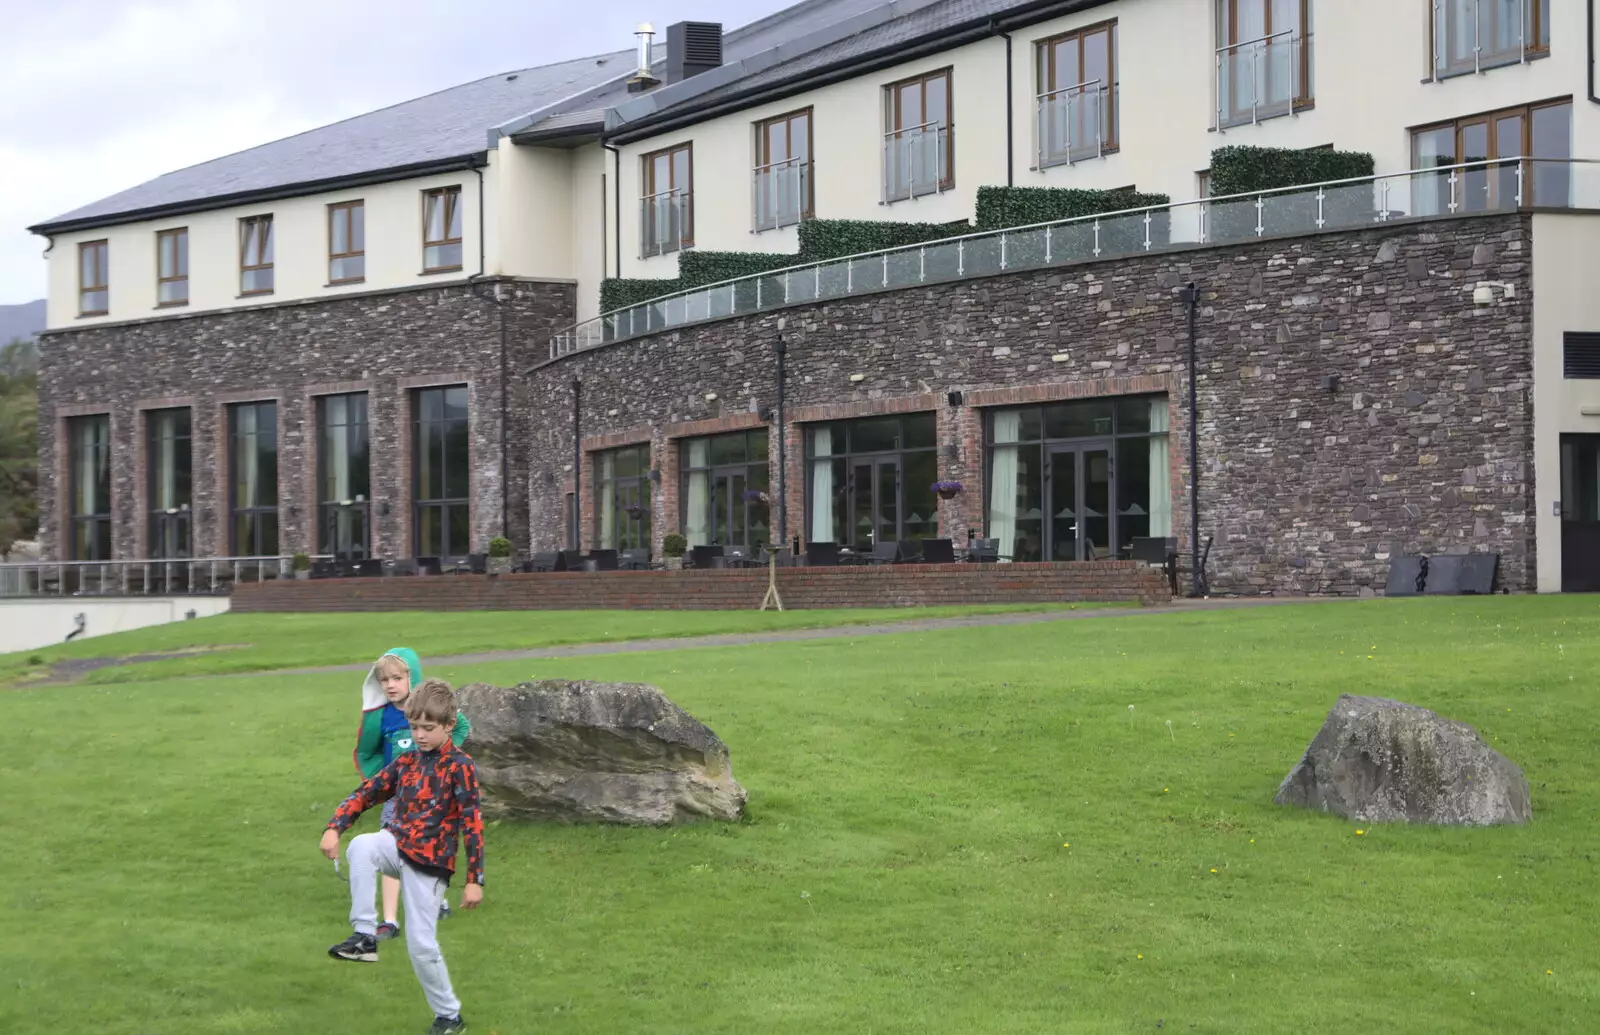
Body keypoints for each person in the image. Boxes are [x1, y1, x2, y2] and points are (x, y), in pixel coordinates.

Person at [322, 679, 485, 1035]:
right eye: (414, 727)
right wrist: (335, 826)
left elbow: (472, 824)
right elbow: (368, 792)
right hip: (397, 843)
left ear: (448, 726)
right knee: (362, 845)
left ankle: (449, 1016)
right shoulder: (407, 761)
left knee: (421, 946)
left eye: (428, 728)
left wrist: (474, 880)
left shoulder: (460, 766)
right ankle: (364, 936)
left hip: (430, 863)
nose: (420, 735)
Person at [355, 648, 471, 939]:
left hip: (431, 796)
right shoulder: (380, 718)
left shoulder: (429, 708)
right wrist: (382, 782)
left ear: (412, 677)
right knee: (390, 846)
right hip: (397, 798)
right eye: (384, 680)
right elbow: (368, 753)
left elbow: (461, 726)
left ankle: (437, 901)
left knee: (429, 848)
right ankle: (390, 921)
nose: (390, 685)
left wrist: (444, 761)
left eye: (397, 678)